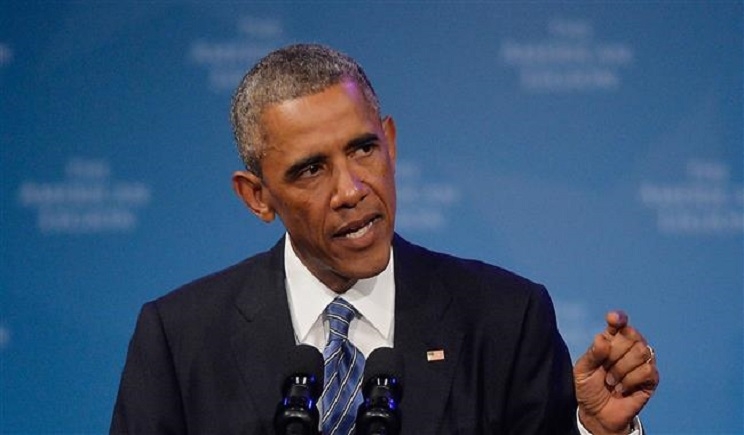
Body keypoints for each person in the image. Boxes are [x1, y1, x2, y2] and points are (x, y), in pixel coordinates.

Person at [111, 43, 659, 434]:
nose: (351, 190)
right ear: (257, 196)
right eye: (310, 170)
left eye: (363, 149)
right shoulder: (180, 340)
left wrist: (595, 432)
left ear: (391, 142)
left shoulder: (506, 319)